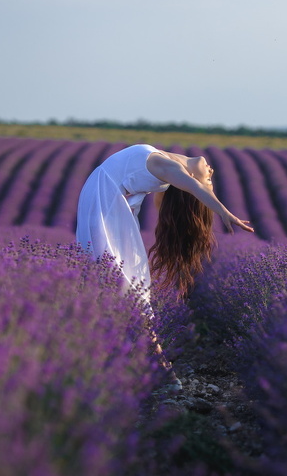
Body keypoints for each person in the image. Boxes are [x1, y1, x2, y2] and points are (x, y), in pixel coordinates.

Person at [76, 144, 253, 390]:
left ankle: (121, 365)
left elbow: (187, 190)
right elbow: (193, 187)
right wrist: (224, 212)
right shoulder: (168, 165)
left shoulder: (169, 169)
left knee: (123, 286)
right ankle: (156, 370)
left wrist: (214, 209)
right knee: (118, 285)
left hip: (110, 208)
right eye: (210, 181)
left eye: (209, 182)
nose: (211, 174)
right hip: (104, 202)